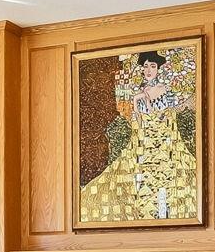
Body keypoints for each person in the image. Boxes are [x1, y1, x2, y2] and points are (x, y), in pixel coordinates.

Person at [79, 49, 200, 223]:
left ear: (158, 68)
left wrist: (146, 100)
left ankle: (164, 214)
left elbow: (164, 115)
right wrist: (139, 100)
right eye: (146, 66)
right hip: (143, 141)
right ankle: (143, 215)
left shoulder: (163, 89)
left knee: (168, 178)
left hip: (163, 140)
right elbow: (137, 120)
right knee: (134, 177)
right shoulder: (140, 93)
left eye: (152, 66)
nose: (149, 70)